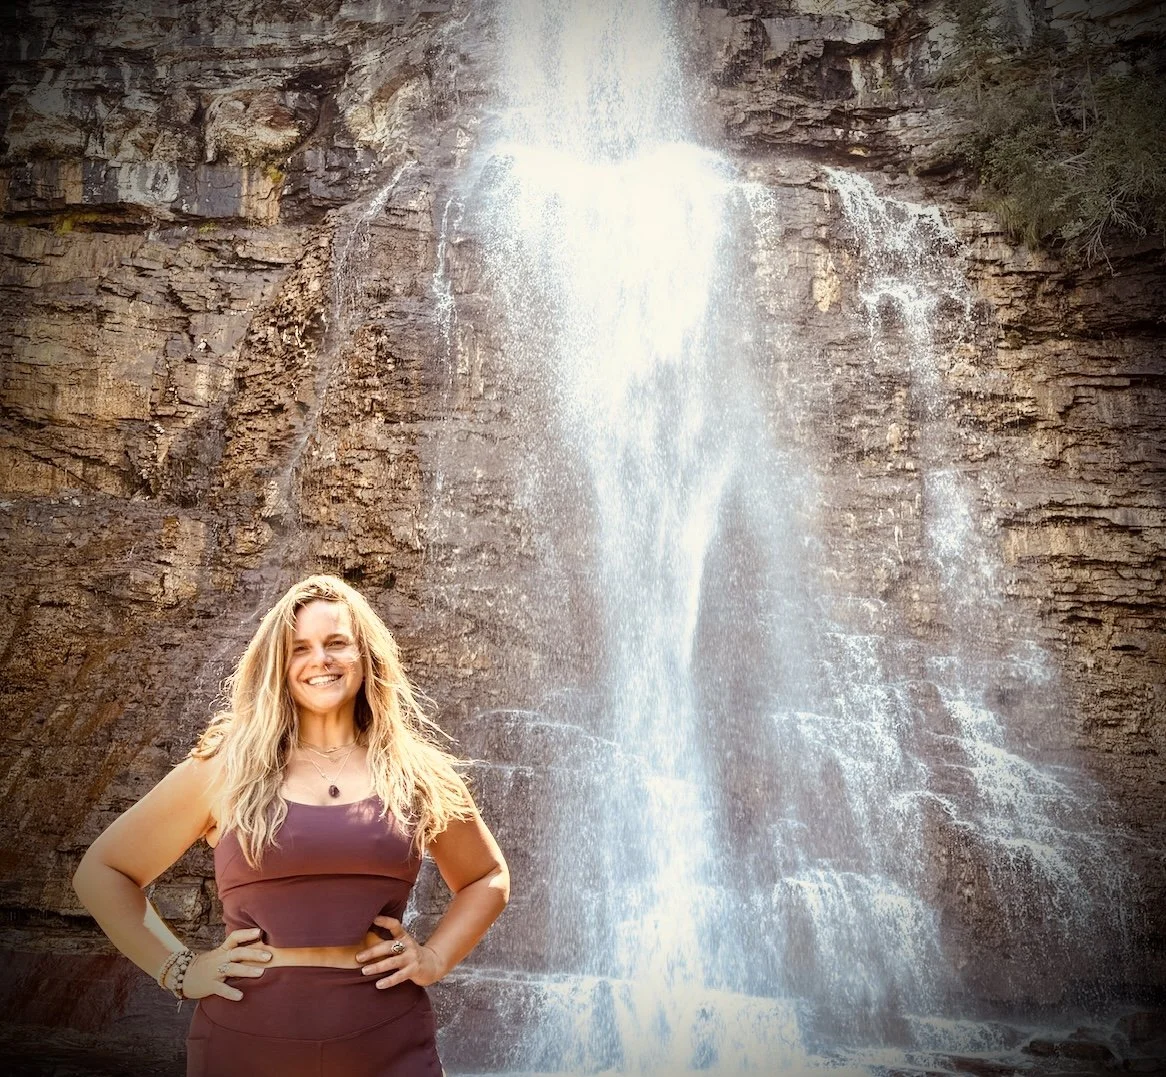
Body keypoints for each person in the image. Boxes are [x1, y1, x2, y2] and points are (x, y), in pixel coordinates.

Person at [73, 575, 509, 1076]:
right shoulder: (225, 767)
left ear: (366, 656)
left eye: (336, 643)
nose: (319, 659)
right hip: (245, 1044)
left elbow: (486, 878)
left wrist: (434, 958)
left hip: (387, 1041)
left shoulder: (415, 771)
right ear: (278, 665)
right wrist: (180, 968)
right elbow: (103, 871)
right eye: (299, 647)